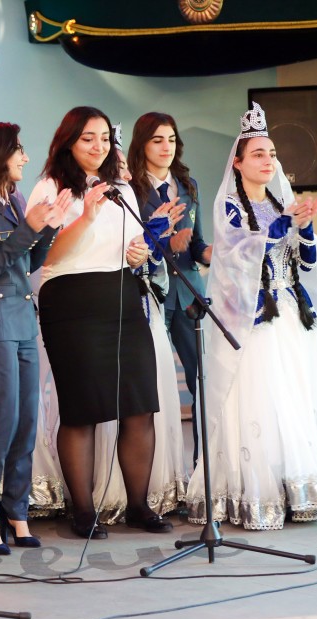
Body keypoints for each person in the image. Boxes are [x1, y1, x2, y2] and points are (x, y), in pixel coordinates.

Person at [186, 102, 317, 530]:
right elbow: (237, 255)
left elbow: (306, 260)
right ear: (238, 162)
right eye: (259, 153)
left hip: (289, 312)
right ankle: (258, 496)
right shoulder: (230, 206)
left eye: (272, 154)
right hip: (252, 318)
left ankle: (297, 489)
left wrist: (307, 230)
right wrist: (281, 224)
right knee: (261, 400)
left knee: (294, 397)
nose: (268, 160)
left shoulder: (284, 200)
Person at [26, 106, 170, 539]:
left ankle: (140, 506)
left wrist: (138, 252)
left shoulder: (121, 186)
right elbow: (44, 255)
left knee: (140, 405)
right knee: (83, 410)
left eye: (105, 138)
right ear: (69, 140)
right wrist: (85, 215)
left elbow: (128, 242)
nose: (99, 146)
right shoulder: (50, 188)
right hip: (71, 302)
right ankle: (83, 511)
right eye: (89, 138)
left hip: (122, 297)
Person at [0, 123, 69, 553]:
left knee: (27, 422)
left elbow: (29, 261)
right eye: (18, 150)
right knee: (3, 418)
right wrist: (30, 226)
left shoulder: (16, 199)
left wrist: (49, 227)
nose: (25, 158)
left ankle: (16, 510)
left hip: (22, 319)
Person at [90, 123, 188, 522]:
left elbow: (144, 247)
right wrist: (156, 233)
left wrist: (160, 241)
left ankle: (150, 493)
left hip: (146, 297)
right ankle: (106, 493)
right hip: (103, 302)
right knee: (108, 400)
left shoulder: (136, 192)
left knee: (151, 396)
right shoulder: (92, 196)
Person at [127, 112, 211, 465]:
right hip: (151, 292)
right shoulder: (130, 188)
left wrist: (225, 252)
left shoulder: (188, 186)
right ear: (142, 144)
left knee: (202, 378)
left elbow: (197, 246)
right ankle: (160, 469)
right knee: (153, 380)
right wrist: (165, 243)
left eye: (171, 139)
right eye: (157, 140)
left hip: (189, 291)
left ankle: (203, 470)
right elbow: (129, 245)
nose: (165, 147)